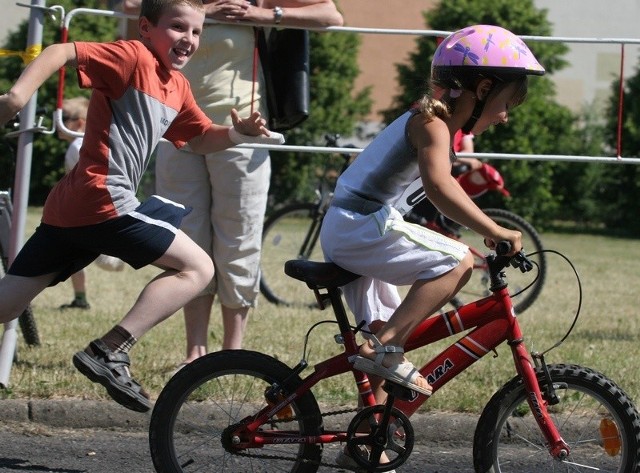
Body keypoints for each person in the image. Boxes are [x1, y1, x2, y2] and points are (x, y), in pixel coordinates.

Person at [0, 0, 282, 413]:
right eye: (178, 27)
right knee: (198, 268)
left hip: (72, 209)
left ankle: (108, 351)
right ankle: (109, 350)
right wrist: (17, 97)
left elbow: (200, 137)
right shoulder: (132, 56)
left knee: (6, 304)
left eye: (197, 32)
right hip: (102, 199)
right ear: (146, 28)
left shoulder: (178, 86)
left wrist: (238, 134)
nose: (188, 40)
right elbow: (62, 51)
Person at [319, 24, 545, 396]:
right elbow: (440, 187)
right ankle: (384, 347)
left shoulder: (431, 123)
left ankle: (370, 438)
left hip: (354, 226)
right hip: (361, 223)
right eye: (506, 104)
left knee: (384, 325)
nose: (505, 116)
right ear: (483, 89)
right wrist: (496, 229)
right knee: (457, 262)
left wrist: (484, 228)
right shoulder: (431, 125)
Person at [123, 0, 344, 366]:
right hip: (175, 126)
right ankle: (195, 352)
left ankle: (233, 350)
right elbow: (127, 5)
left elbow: (330, 15)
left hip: (244, 130)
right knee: (186, 237)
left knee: (238, 237)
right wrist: (203, 13)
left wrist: (263, 15)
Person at [57, 96, 92, 310]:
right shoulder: (84, 144)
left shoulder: (77, 147)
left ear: (79, 123)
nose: (59, 122)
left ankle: (80, 298)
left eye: (64, 118)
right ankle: (80, 298)